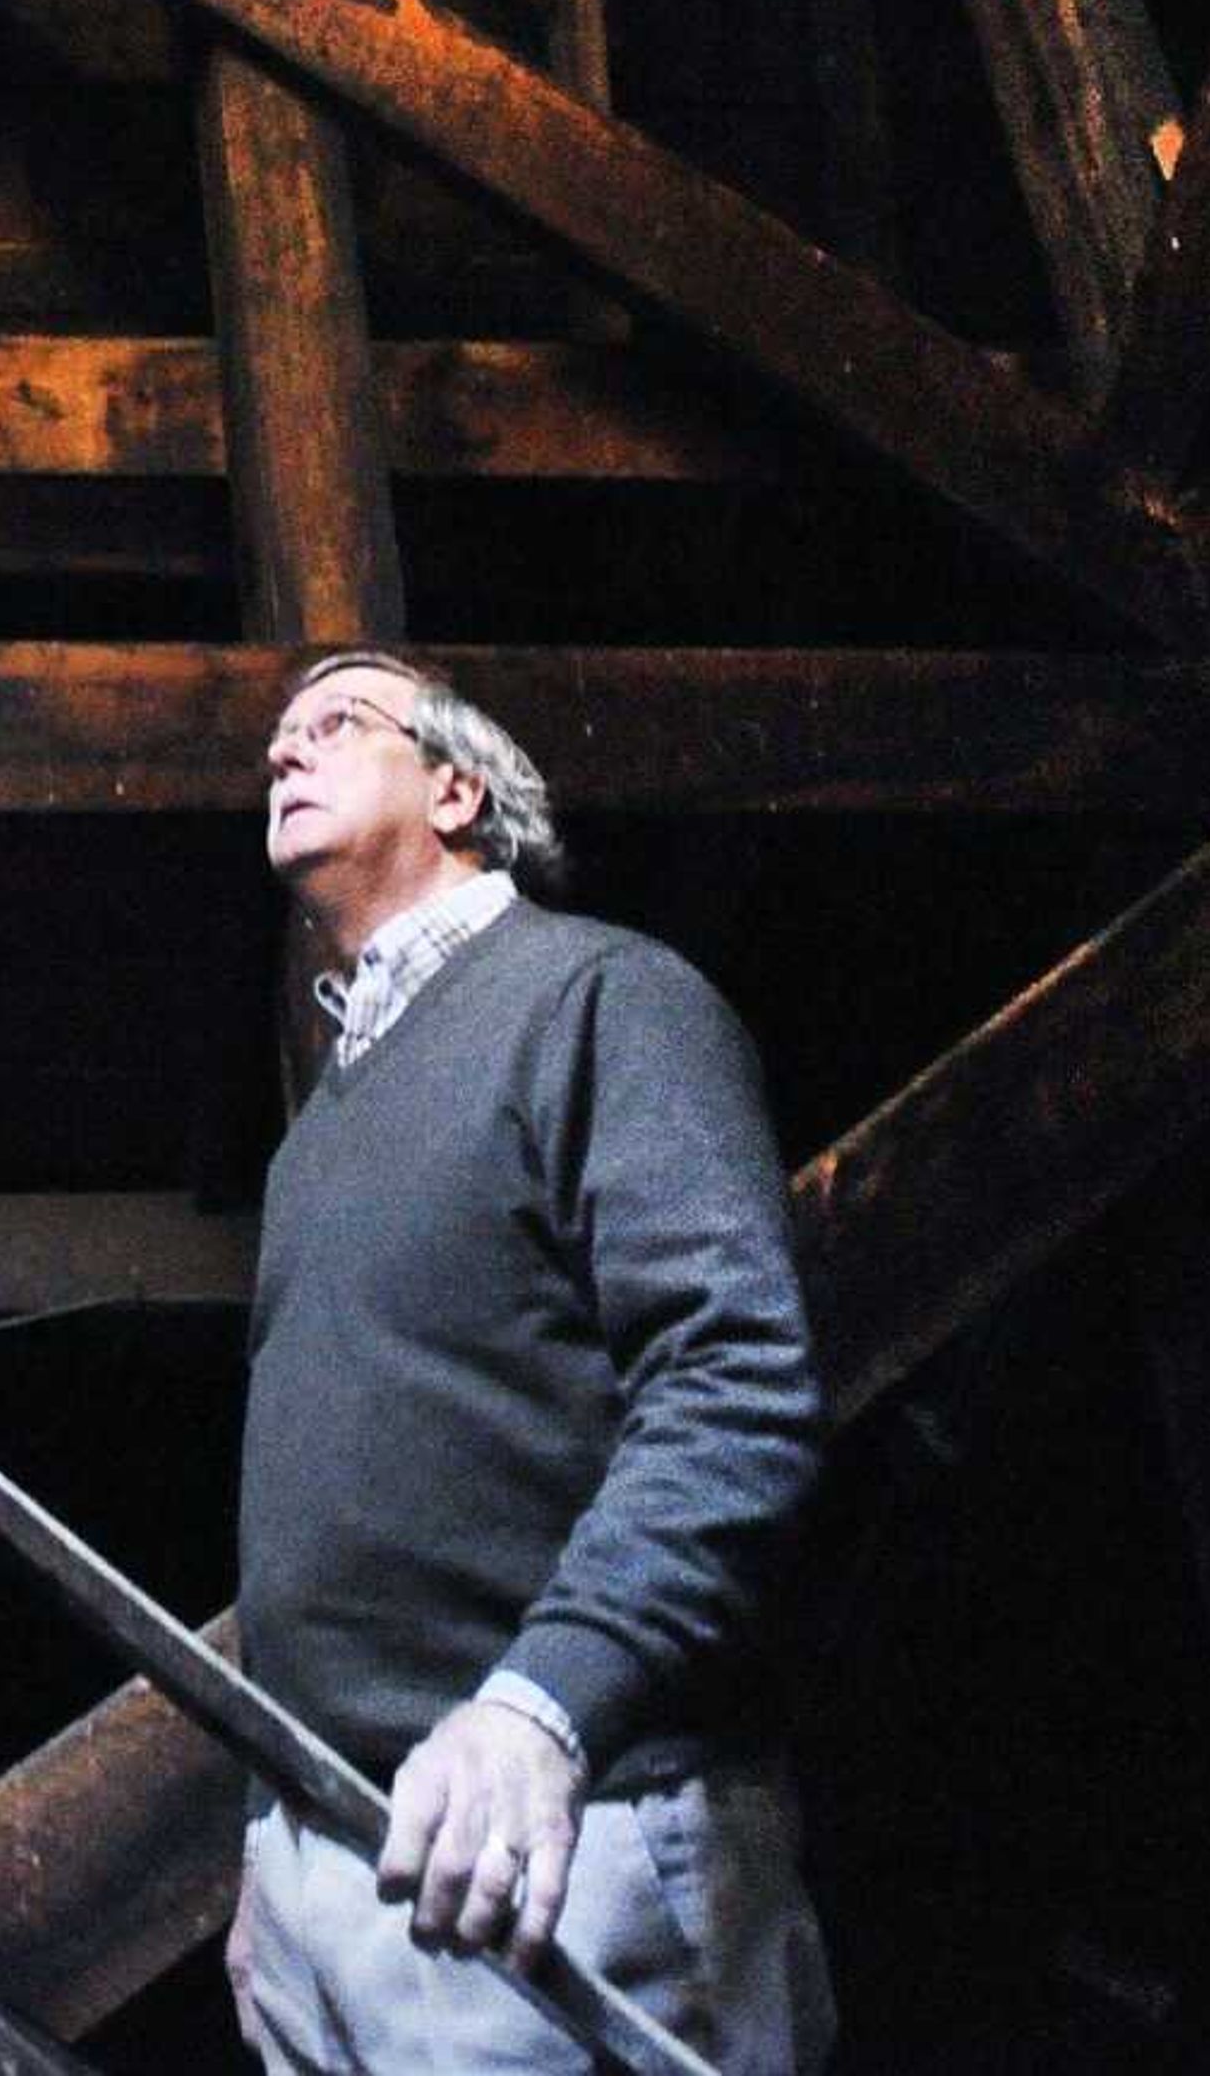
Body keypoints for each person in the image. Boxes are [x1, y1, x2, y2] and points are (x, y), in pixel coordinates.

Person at [228, 650, 834, 2073]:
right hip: (334, 1861)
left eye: (333, 724)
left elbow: (736, 1379)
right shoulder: (320, 1124)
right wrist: (269, 1834)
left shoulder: (603, 997)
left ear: (457, 785)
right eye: (276, 741)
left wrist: (543, 1709)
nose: (284, 755)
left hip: (554, 1828)